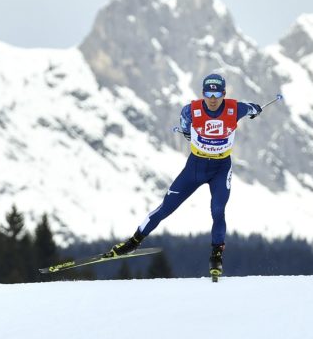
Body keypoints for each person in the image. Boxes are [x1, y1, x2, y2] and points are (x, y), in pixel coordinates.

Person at [106, 73, 262, 278]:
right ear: (202, 93)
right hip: (195, 168)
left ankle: (216, 256)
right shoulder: (191, 110)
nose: (212, 99)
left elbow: (253, 107)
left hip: (221, 168)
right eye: (208, 93)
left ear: (224, 93)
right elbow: (185, 127)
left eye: (217, 94)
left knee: (218, 210)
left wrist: (256, 110)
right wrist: (189, 134)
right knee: (165, 208)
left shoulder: (235, 109)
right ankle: (132, 243)